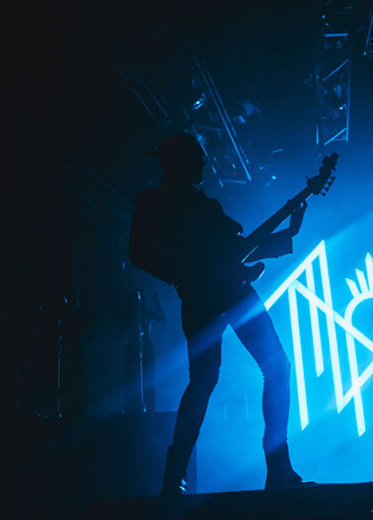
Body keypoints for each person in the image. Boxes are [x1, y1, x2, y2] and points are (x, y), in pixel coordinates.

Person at [129, 132, 310, 495]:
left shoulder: (205, 207)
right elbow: (139, 254)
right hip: (213, 296)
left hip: (228, 293)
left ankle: (271, 466)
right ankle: (267, 467)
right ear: (176, 161)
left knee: (230, 376)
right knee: (211, 380)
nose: (202, 165)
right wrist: (183, 274)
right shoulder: (152, 202)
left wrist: (288, 231)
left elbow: (238, 250)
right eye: (196, 158)